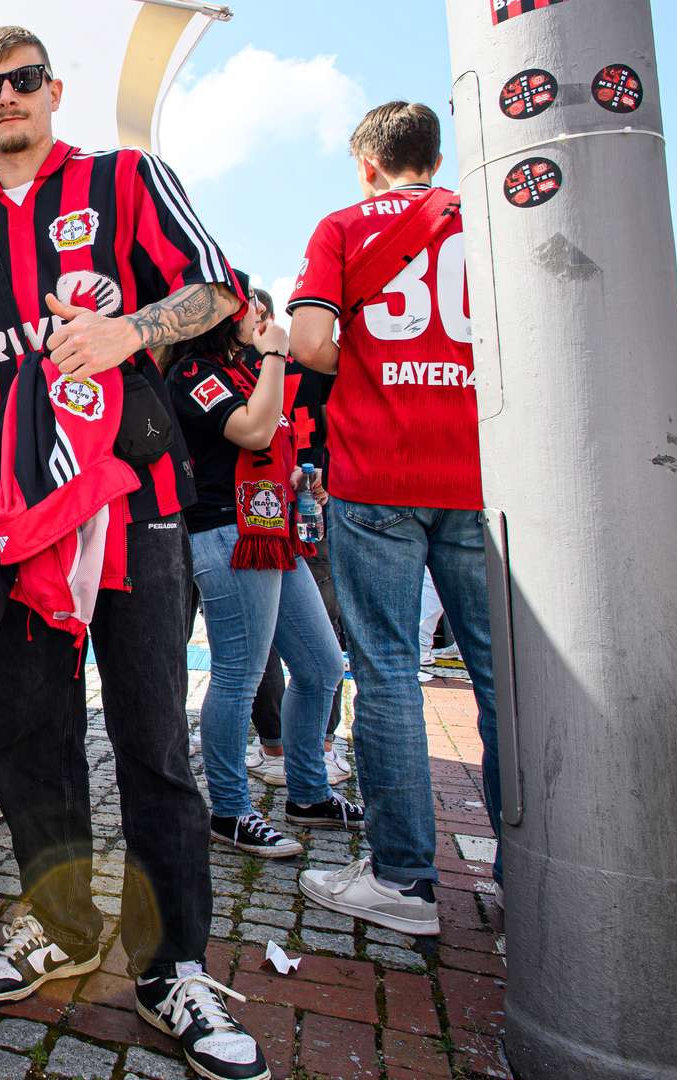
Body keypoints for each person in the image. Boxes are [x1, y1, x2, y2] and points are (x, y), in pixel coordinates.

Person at [0, 27, 267, 1080]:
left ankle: (171, 965)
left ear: (52, 90)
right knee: (31, 741)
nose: (6, 99)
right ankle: (61, 922)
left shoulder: (124, 178)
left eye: (23, 81)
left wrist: (136, 332)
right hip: (25, 529)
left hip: (141, 511)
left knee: (155, 747)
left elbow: (219, 291)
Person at [288, 101, 498, 938]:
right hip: (481, 470)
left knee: (387, 670)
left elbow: (307, 343)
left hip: (379, 471)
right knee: (499, 677)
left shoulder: (343, 224)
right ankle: (534, 873)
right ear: (435, 156)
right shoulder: (480, 217)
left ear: (365, 161)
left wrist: (373, 362)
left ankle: (404, 880)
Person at [166, 286, 361, 861]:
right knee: (238, 674)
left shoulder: (241, 371)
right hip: (227, 532)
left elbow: (265, 440)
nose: (260, 315)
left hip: (271, 529)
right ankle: (229, 810)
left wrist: (298, 480)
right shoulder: (193, 373)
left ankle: (307, 794)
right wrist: (276, 355)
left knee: (322, 664)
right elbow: (251, 430)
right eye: (249, 305)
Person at [244, 286, 350, 788]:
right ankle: (282, 744)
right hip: (269, 510)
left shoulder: (287, 362)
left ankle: (312, 746)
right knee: (263, 634)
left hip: (306, 503)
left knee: (314, 632)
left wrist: (329, 474)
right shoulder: (238, 367)